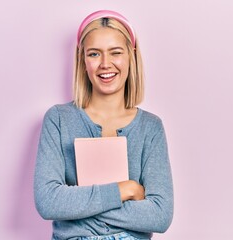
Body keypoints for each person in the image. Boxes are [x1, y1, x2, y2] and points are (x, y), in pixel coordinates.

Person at [34, 10, 173, 240]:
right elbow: (48, 201)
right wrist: (125, 190)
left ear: (131, 55)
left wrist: (77, 207)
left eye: (115, 52)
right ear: (83, 60)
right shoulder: (58, 119)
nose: (105, 64)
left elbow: (159, 215)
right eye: (94, 54)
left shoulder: (150, 128)